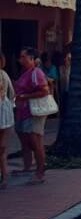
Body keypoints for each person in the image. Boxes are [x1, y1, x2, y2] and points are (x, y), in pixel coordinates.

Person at [13, 47, 49, 184]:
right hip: (23, 111)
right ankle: (27, 167)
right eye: (20, 57)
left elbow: (44, 90)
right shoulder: (25, 72)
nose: (21, 59)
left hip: (33, 112)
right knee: (25, 140)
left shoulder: (36, 73)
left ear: (32, 58)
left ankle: (40, 171)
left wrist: (25, 96)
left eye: (24, 57)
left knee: (36, 141)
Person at [0, 54, 14, 189]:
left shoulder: (3, 75)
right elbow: (12, 94)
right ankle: (4, 176)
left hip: (3, 112)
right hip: (5, 111)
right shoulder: (4, 74)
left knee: (2, 148)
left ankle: (4, 176)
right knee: (2, 148)